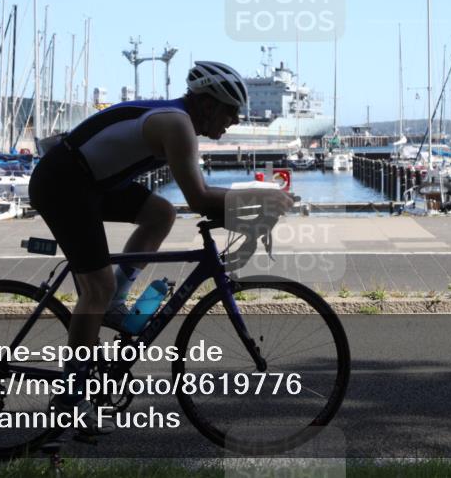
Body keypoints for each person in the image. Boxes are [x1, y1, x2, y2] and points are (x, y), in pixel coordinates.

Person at [28, 61, 293, 427]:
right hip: (63, 184)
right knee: (96, 287)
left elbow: (197, 201)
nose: (233, 120)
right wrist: (259, 197)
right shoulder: (177, 125)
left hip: (90, 183)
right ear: (207, 104)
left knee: (161, 213)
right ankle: (70, 399)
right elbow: (199, 199)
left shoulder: (180, 119)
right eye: (230, 111)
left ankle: (114, 302)